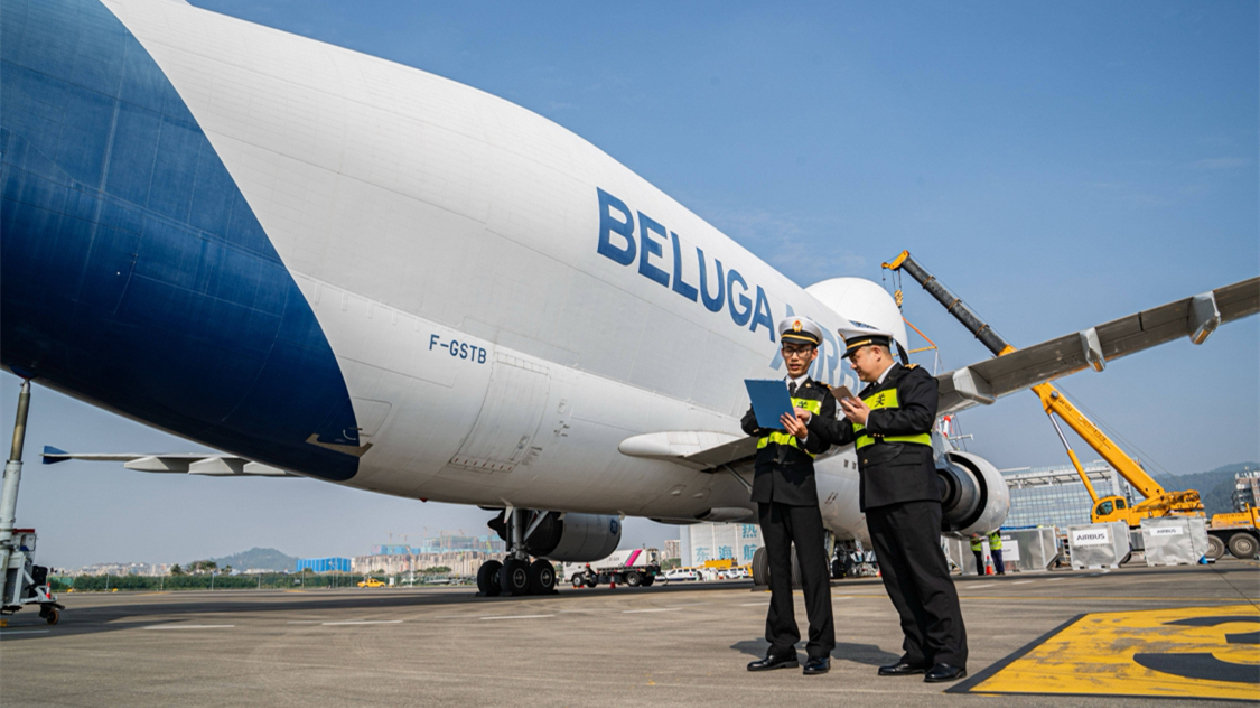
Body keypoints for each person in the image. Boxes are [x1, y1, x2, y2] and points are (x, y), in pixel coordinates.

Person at [790, 321, 969, 683]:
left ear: (877, 352)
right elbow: (842, 432)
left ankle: (949, 654)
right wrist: (814, 421)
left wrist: (870, 418)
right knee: (898, 581)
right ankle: (918, 651)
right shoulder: (865, 396)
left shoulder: (913, 379)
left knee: (927, 576)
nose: (852, 365)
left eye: (855, 357)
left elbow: (920, 416)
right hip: (877, 498)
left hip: (912, 494)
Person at [742, 316, 836, 676]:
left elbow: (824, 440)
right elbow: (747, 424)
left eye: (801, 351)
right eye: (788, 350)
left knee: (813, 571)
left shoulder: (821, 396)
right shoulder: (770, 391)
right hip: (767, 487)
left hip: (799, 487)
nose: (793, 357)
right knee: (777, 572)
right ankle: (781, 646)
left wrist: (803, 430)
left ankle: (819, 649)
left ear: (813, 354)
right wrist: (766, 415)